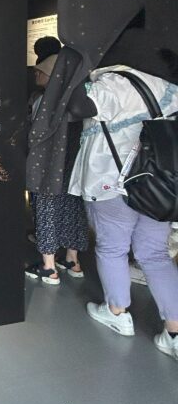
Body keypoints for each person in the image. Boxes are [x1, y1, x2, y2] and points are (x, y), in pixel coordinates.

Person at [68, 30, 178, 361]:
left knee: (113, 247)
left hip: (113, 182)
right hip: (160, 186)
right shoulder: (167, 88)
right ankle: (174, 332)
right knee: (155, 254)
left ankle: (117, 313)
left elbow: (77, 106)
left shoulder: (114, 83)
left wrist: (76, 72)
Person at [25, 53, 88, 284]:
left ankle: (49, 267)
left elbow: (36, 133)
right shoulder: (79, 100)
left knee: (46, 209)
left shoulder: (45, 101)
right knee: (73, 207)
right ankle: (72, 260)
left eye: (41, 71)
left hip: (49, 166)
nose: (36, 73)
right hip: (74, 165)